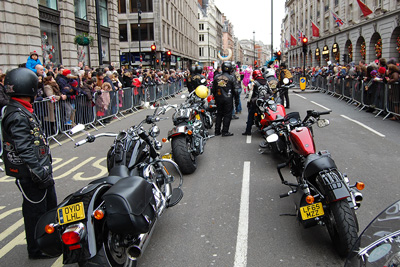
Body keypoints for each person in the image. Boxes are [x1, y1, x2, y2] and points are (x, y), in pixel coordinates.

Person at [1, 68, 57, 259]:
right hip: (32, 173)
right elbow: (24, 148)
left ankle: (48, 241)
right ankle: (37, 248)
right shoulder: (17, 114)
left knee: (48, 207)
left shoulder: (20, 109)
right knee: (36, 212)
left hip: (37, 170)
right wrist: (38, 171)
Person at [212, 61, 239, 137]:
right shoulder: (231, 78)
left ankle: (217, 131)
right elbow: (236, 90)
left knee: (219, 114)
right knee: (227, 115)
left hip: (219, 98)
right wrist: (236, 101)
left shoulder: (216, 77)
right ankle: (225, 131)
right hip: (228, 98)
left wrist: (215, 96)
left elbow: (213, 89)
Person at [242, 69, 271, 135]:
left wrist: (249, 101)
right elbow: (270, 91)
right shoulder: (266, 82)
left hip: (256, 102)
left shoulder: (254, 83)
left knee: (250, 114)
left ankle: (248, 131)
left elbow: (250, 94)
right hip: (266, 101)